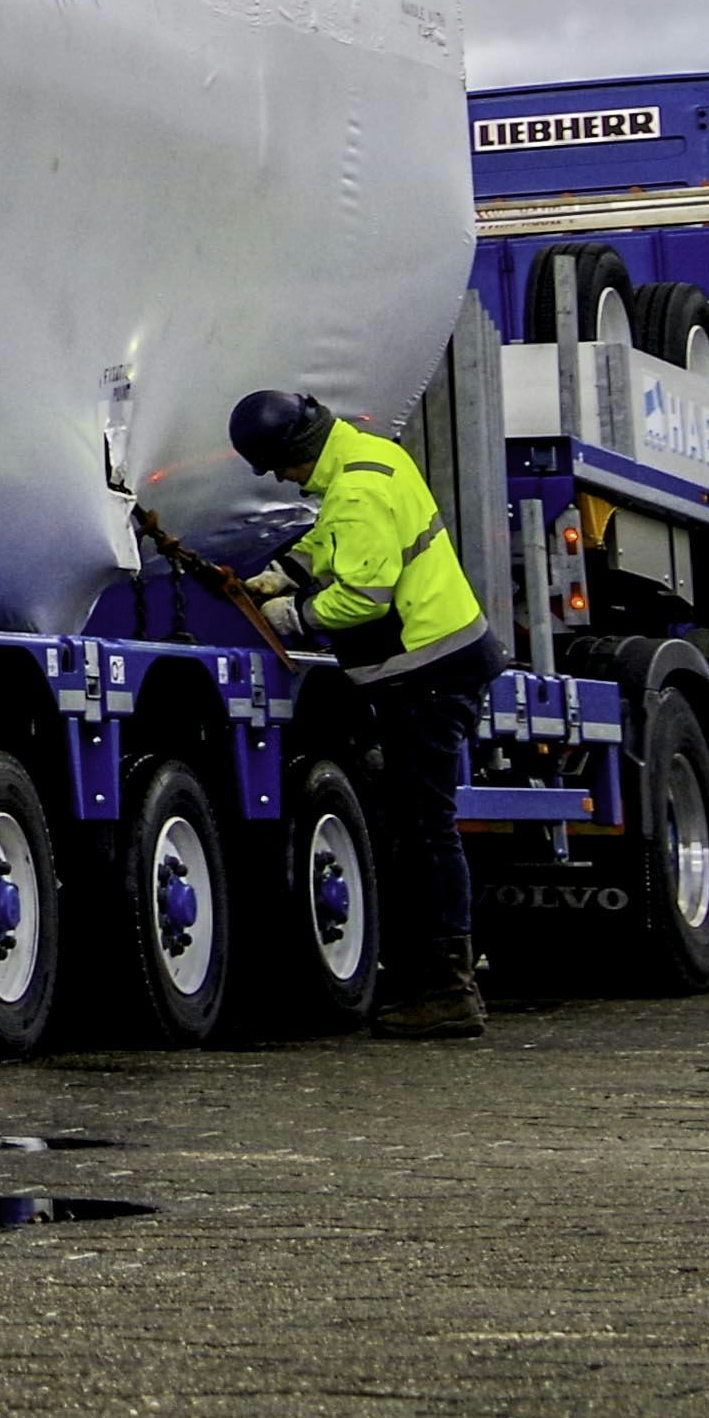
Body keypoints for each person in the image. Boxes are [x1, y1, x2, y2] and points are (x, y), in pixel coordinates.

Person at [233, 384, 492, 1038]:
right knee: (419, 825)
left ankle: (450, 994)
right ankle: (440, 982)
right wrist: (288, 570)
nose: (283, 481)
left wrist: (293, 613)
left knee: (424, 828)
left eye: (279, 468)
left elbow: (364, 599)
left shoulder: (356, 491)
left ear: (297, 451)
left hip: (426, 671)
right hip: (439, 664)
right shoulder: (371, 459)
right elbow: (341, 543)